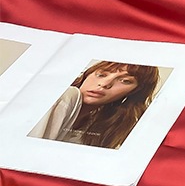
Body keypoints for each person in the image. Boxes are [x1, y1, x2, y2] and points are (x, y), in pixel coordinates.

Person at [29, 61, 160, 149]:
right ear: (87, 74)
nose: (104, 84)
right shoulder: (67, 94)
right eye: (101, 75)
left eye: (125, 81)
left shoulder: (103, 126)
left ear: (134, 92)